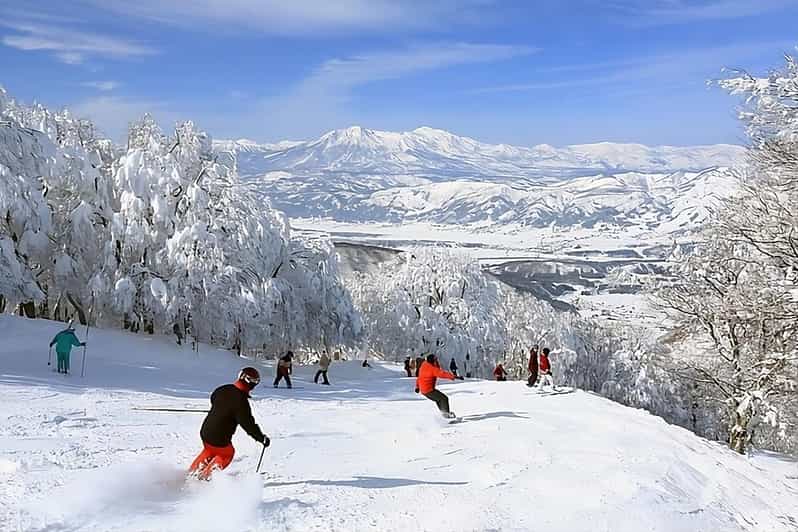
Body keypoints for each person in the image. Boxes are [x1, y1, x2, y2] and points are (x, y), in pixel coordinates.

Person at [189, 367, 270, 480]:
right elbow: (248, 425)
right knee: (227, 453)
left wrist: (221, 409)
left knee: (209, 450)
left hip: (205, 431)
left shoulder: (223, 389)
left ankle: (191, 474)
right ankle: (205, 478)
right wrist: (261, 438)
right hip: (220, 438)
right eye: (255, 382)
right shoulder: (241, 402)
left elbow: (213, 398)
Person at [415, 354, 463, 418]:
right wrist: (455, 376)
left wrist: (417, 387)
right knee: (443, 399)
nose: (437, 360)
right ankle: (447, 416)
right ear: (432, 361)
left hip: (424, 389)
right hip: (428, 390)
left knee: (439, 399)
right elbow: (442, 374)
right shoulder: (432, 369)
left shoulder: (424, 365)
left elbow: (420, 377)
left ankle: (444, 414)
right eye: (435, 359)